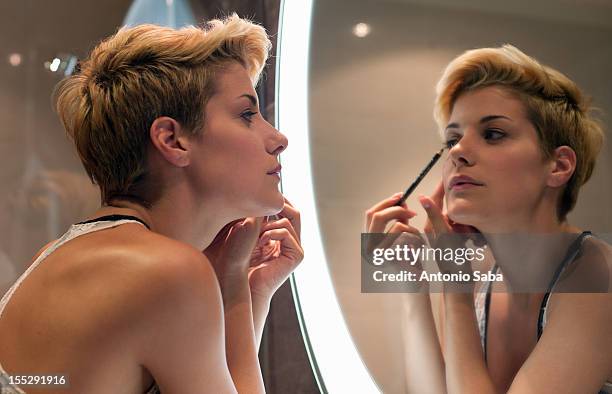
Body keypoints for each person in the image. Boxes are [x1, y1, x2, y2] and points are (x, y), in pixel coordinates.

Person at [0, 14, 303, 394]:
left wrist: (250, 289)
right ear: (172, 141)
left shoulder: (58, 256)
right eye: (246, 114)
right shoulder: (165, 273)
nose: (278, 138)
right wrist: (234, 282)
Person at [365, 45, 611, 393]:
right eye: (452, 138)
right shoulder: (481, 281)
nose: (458, 151)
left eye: (493, 134)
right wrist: (413, 286)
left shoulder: (597, 276)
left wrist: (457, 295)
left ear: (558, 166)